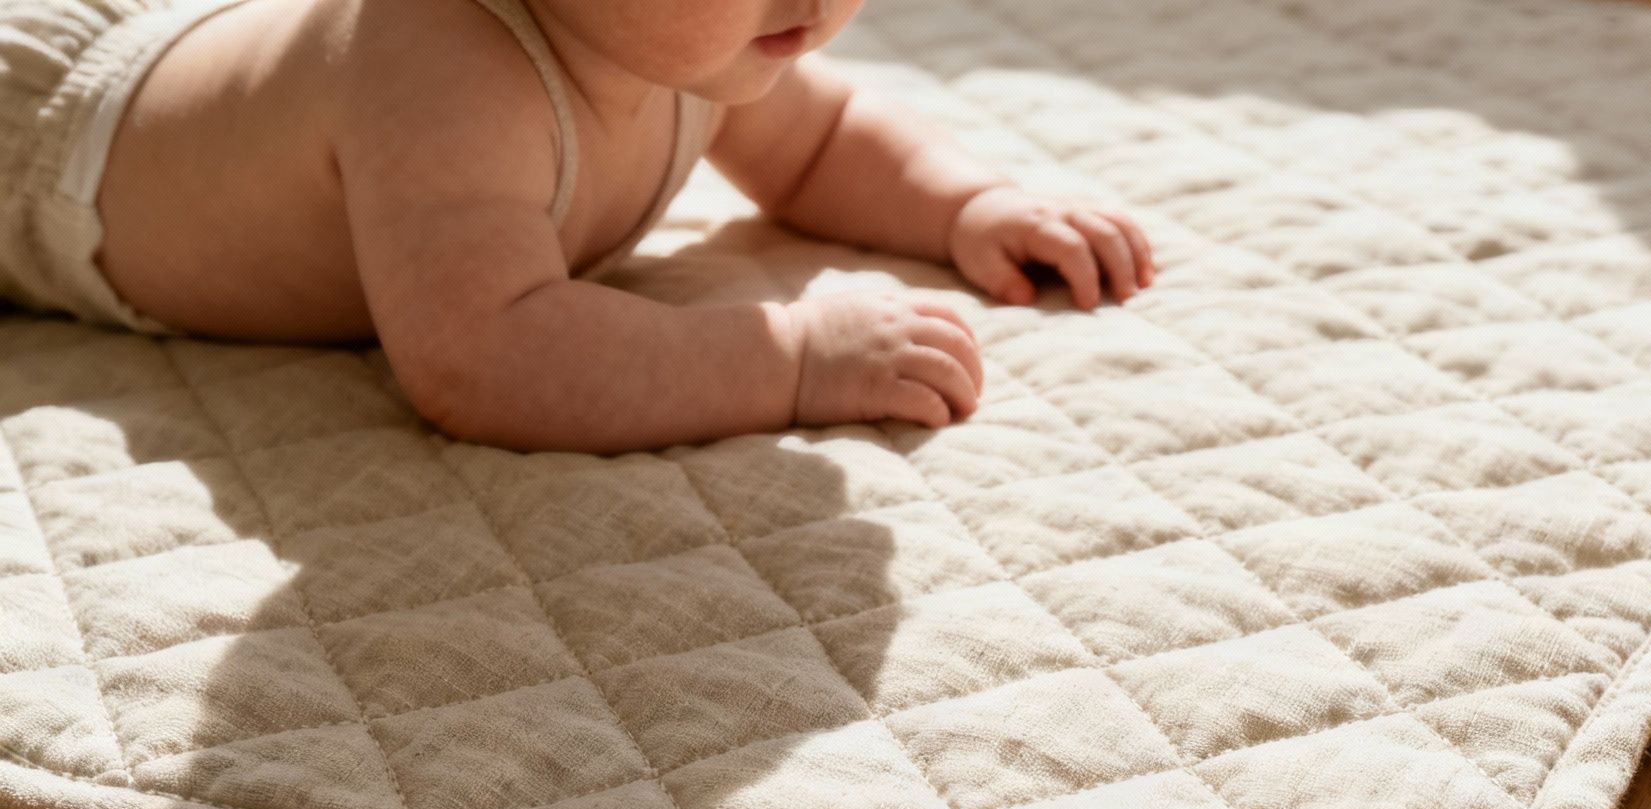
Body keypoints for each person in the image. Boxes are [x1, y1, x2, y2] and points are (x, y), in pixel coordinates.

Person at [0, 0, 1157, 452]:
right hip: (37, 150)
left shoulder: (709, 39)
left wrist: (965, 201)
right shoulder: (439, 68)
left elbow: (819, 139)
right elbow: (485, 357)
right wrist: (793, 356)